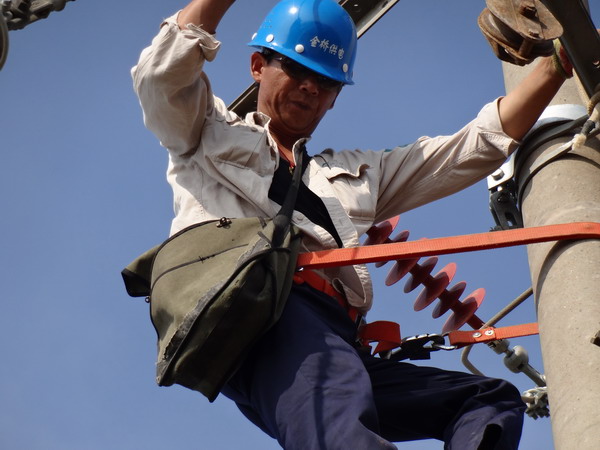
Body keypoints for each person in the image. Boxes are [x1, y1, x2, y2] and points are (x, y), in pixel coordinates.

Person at [131, 0, 572, 448]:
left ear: (336, 97)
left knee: (487, 402)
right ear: (258, 66)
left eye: (325, 81)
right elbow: (161, 75)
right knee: (341, 428)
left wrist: (557, 65)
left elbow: (468, 149)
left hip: (334, 335)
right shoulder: (206, 132)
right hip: (261, 309)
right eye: (296, 69)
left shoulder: (348, 176)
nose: (310, 87)